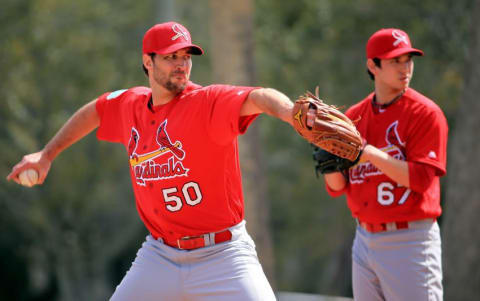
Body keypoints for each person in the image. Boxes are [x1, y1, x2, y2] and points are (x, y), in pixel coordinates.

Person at [7, 21, 299, 301]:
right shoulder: (131, 104)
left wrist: (290, 112)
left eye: (186, 56)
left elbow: (259, 97)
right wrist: (46, 155)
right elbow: (95, 111)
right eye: (171, 57)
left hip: (223, 255)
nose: (182, 64)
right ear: (148, 61)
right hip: (161, 256)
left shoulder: (206, 102)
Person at [319, 28, 448, 300]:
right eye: (394, 61)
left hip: (410, 240)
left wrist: (368, 153)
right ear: (372, 66)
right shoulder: (354, 117)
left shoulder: (426, 113)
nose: (405, 68)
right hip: (364, 239)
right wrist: (327, 160)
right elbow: (337, 187)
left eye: (408, 60)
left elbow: (422, 180)